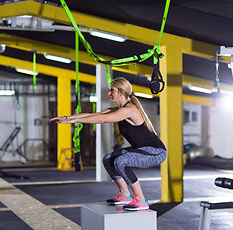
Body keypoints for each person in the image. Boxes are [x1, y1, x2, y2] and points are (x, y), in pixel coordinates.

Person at [49, 77, 167, 210]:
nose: (109, 93)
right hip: (144, 149)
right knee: (108, 160)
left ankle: (140, 199)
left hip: (156, 151)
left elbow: (101, 119)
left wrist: (73, 121)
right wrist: (66, 119)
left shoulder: (130, 109)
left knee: (121, 161)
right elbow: (93, 114)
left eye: (112, 90)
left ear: (122, 92)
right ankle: (125, 194)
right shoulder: (118, 109)